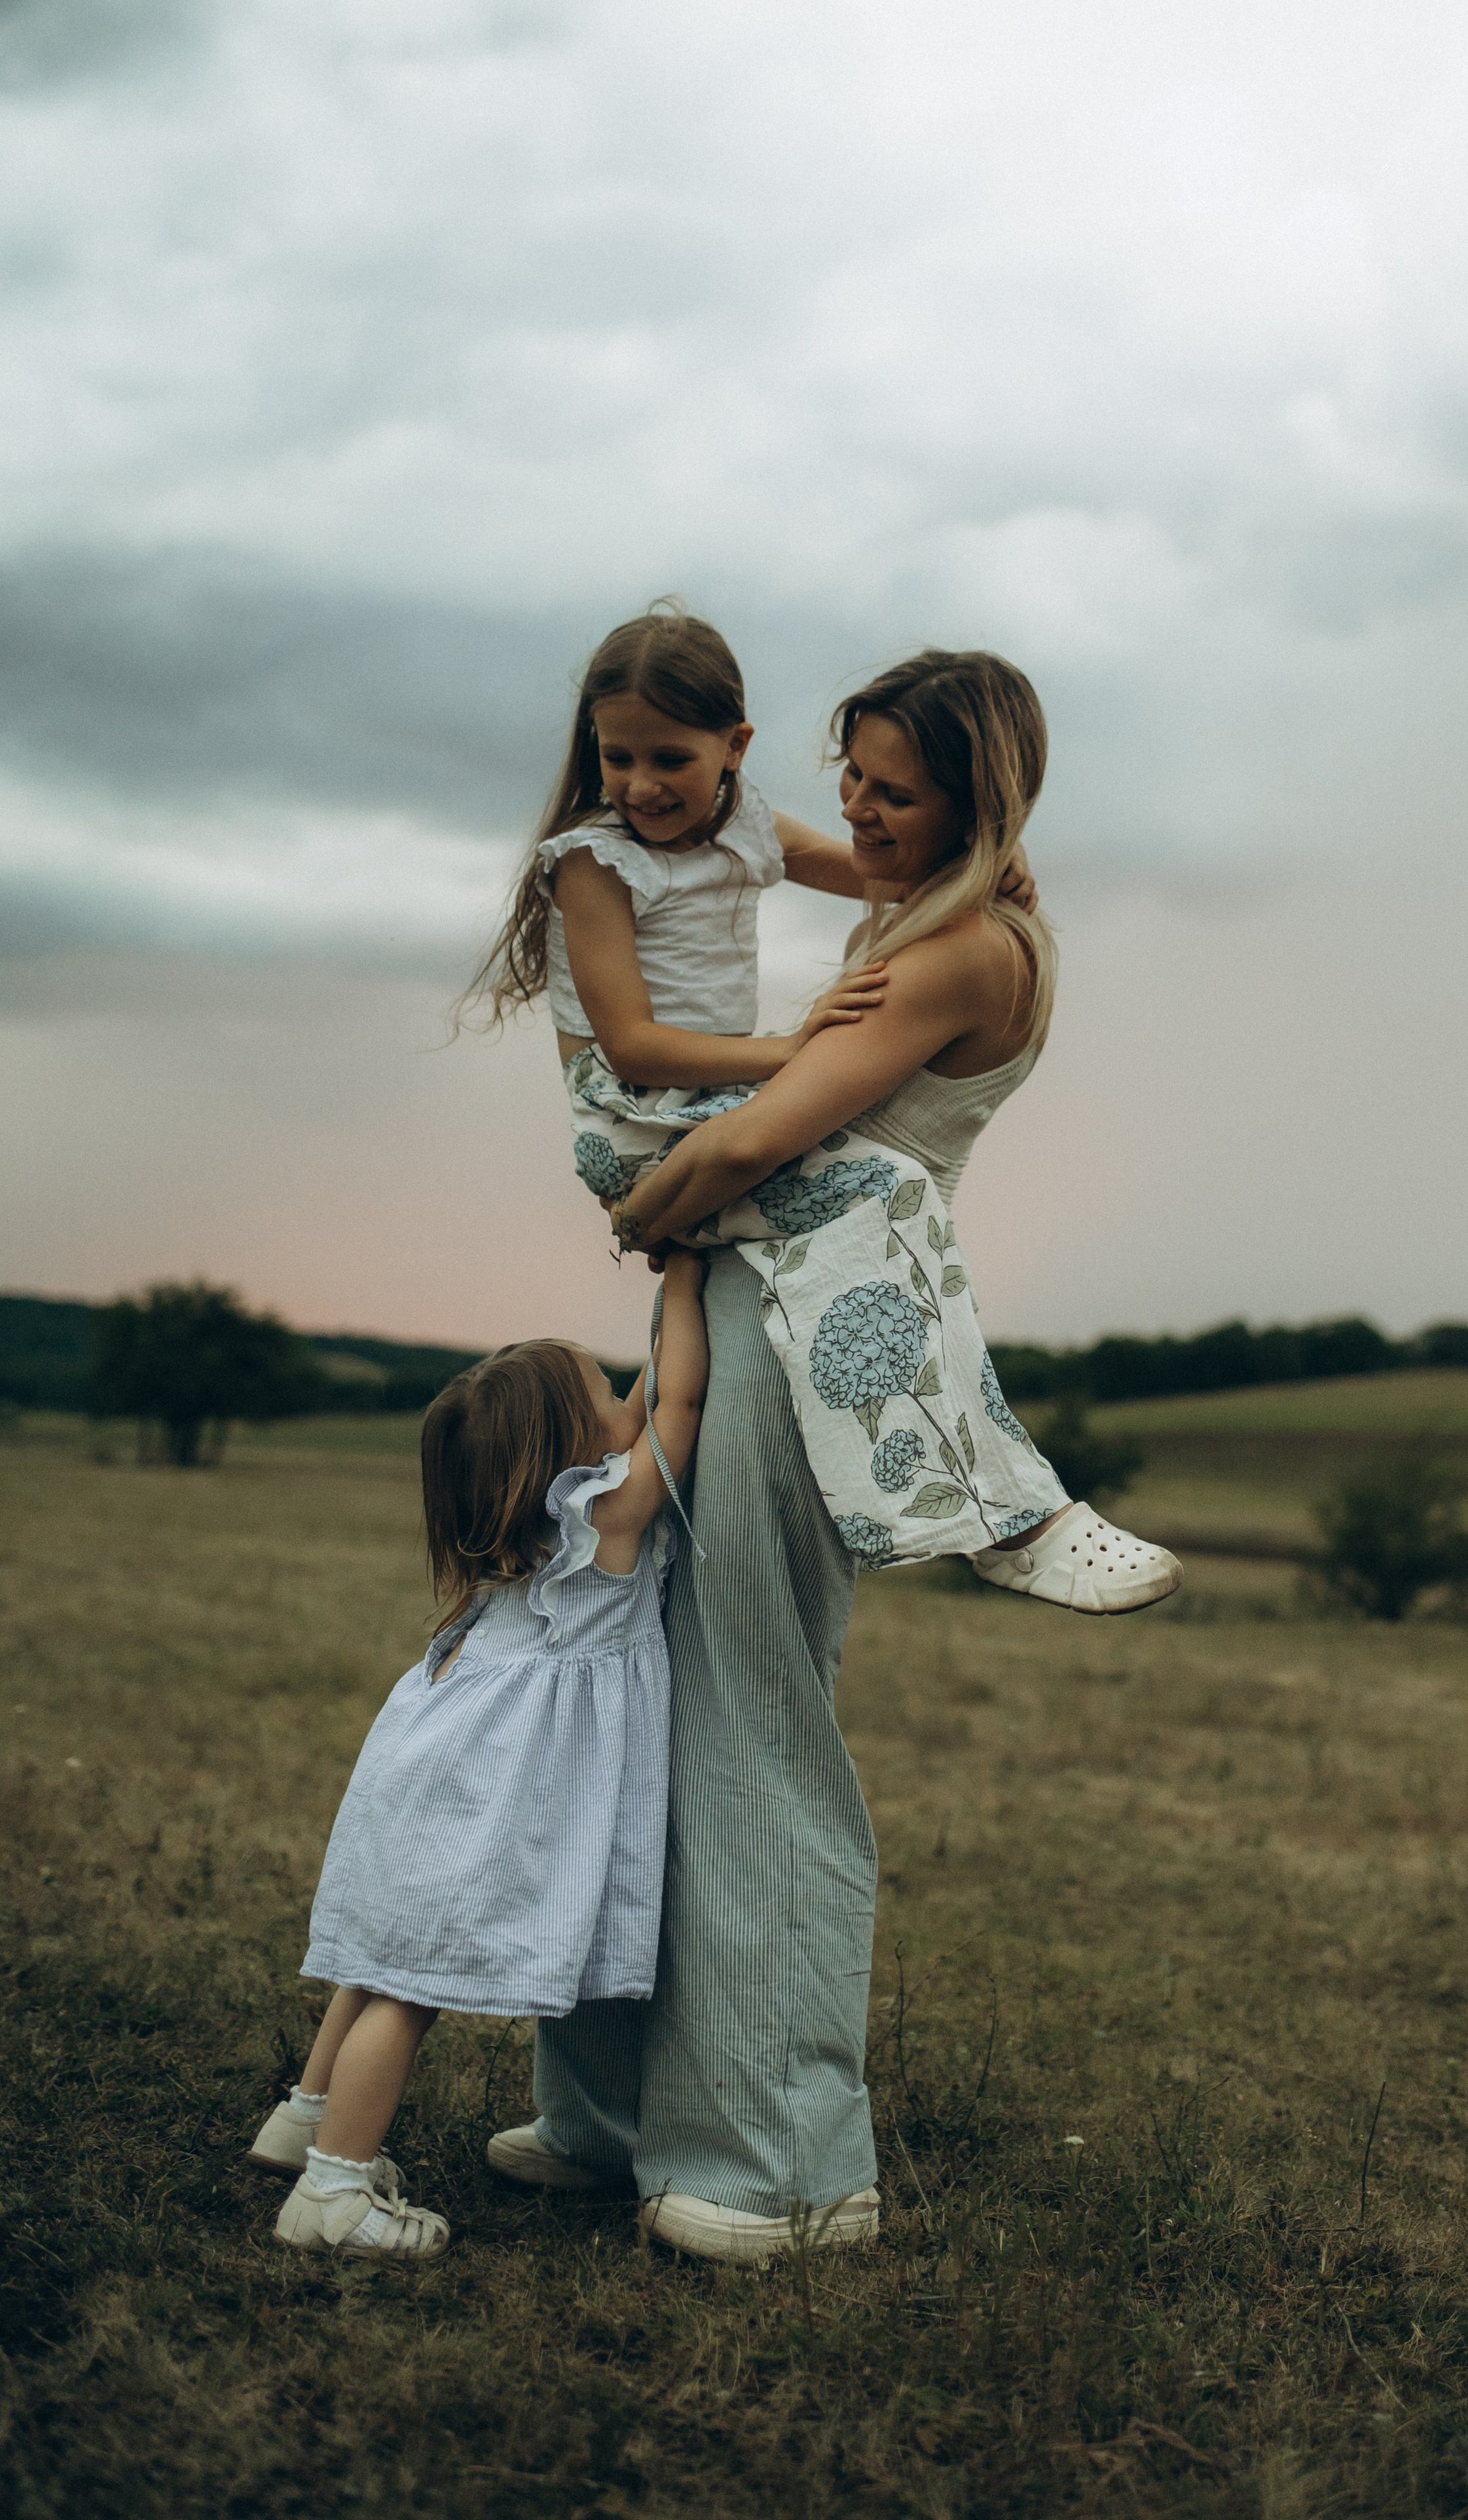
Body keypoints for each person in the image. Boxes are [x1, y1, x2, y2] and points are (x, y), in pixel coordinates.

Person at [492, 650, 1181, 2264]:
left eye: (896, 792)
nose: (857, 813)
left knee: (749, 1715)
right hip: (735, 1311)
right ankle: (607, 2115)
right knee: (634, 1689)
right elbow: (756, 902)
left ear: (977, 802)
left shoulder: (961, 953)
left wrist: (645, 1209)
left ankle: (788, 2167)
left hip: (806, 1347)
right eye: (852, 777)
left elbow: (754, 1134)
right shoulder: (899, 910)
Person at [471, 604, 1156, 1590]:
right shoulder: (596, 859)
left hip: (700, 1110)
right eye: (617, 759)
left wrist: (991, 858)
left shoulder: (744, 828)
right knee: (891, 1191)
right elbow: (628, 1045)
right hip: (638, 1114)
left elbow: (875, 875)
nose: (640, 785)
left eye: (670, 758)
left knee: (882, 1200)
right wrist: (785, 1055)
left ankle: (981, 1511)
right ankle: (1000, 1520)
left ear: (734, 748)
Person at [247, 1261, 710, 2262]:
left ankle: (303, 2117)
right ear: (571, 1453)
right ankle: (333, 2196)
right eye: (601, 1392)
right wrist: (687, 1278)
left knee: (379, 1963)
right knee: (411, 1986)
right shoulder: (611, 1520)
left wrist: (660, 1314)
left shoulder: (530, 1536)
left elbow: (643, 1396)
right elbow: (678, 1398)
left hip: (426, 1760)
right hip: (483, 1789)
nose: (622, 1395)